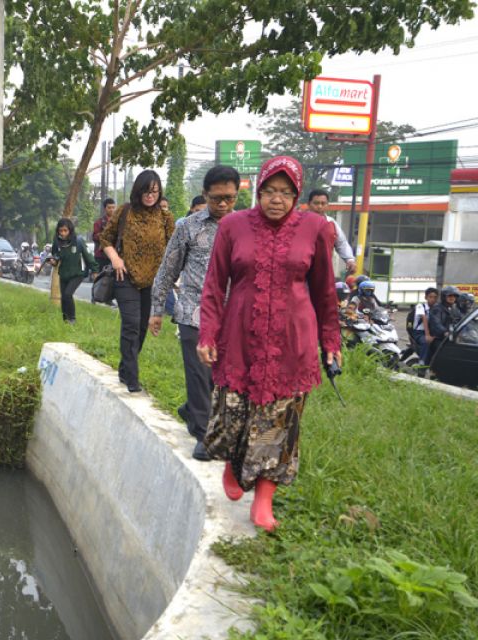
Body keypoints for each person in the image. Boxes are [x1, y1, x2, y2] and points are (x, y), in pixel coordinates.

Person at [197, 155, 341, 532]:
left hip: (292, 339)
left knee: (280, 421)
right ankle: (232, 461)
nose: (277, 199)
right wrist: (208, 333)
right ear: (258, 191)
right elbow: (214, 285)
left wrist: (331, 339)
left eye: (286, 192)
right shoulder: (232, 226)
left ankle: (263, 499)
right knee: (233, 414)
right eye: (270, 191)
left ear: (297, 195)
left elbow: (325, 292)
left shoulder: (316, 229)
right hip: (240, 336)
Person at [148, 165, 241, 461]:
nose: (223, 204)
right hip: (193, 311)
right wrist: (157, 309)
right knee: (199, 374)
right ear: (205, 195)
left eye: (229, 198)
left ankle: (193, 410)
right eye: (216, 198)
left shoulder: (246, 228)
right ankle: (203, 435)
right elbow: (167, 269)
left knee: (222, 378)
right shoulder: (187, 227)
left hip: (231, 315)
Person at [100, 171, 175, 392]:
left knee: (142, 327)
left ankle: (125, 368)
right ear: (138, 190)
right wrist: (115, 258)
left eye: (154, 191)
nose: (150, 196)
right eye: (146, 191)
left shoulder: (165, 218)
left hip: (152, 280)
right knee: (131, 324)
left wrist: (174, 275)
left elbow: (174, 248)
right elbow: (106, 238)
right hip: (125, 276)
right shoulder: (125, 211)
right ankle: (132, 379)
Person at [50, 217, 98, 324]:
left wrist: (95, 270)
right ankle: (65, 321)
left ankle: (72, 319)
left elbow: (88, 257)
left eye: (65, 231)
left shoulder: (79, 241)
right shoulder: (57, 243)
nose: (63, 233)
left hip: (77, 274)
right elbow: (56, 257)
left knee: (68, 294)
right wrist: (53, 262)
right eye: (60, 231)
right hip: (63, 274)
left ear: (70, 230)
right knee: (63, 298)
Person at [307, 189, 357, 274]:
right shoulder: (300, 222)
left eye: (323, 203)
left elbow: (341, 243)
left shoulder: (331, 223)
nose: (319, 206)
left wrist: (350, 260)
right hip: (302, 270)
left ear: (327, 205)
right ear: (309, 204)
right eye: (316, 203)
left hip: (323, 271)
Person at [428, 285, 464, 364]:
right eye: (450, 295)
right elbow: (436, 323)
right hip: (439, 338)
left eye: (454, 296)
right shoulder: (437, 308)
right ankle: (433, 370)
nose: (452, 297)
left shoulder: (454, 308)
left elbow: (462, 319)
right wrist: (445, 332)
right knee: (444, 354)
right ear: (444, 297)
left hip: (451, 337)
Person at [411, 287, 438, 364]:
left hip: (430, 332)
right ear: (426, 297)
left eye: (435, 297)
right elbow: (424, 318)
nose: (433, 299)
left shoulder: (436, 308)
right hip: (419, 332)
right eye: (430, 297)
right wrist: (427, 335)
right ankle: (422, 361)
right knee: (426, 342)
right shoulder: (420, 306)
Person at [91, 198, 116, 270]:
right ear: (105, 208)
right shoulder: (99, 222)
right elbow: (95, 237)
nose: (112, 210)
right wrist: (105, 235)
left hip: (115, 255)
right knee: (100, 278)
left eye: (113, 207)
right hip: (101, 255)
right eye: (109, 208)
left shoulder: (119, 222)